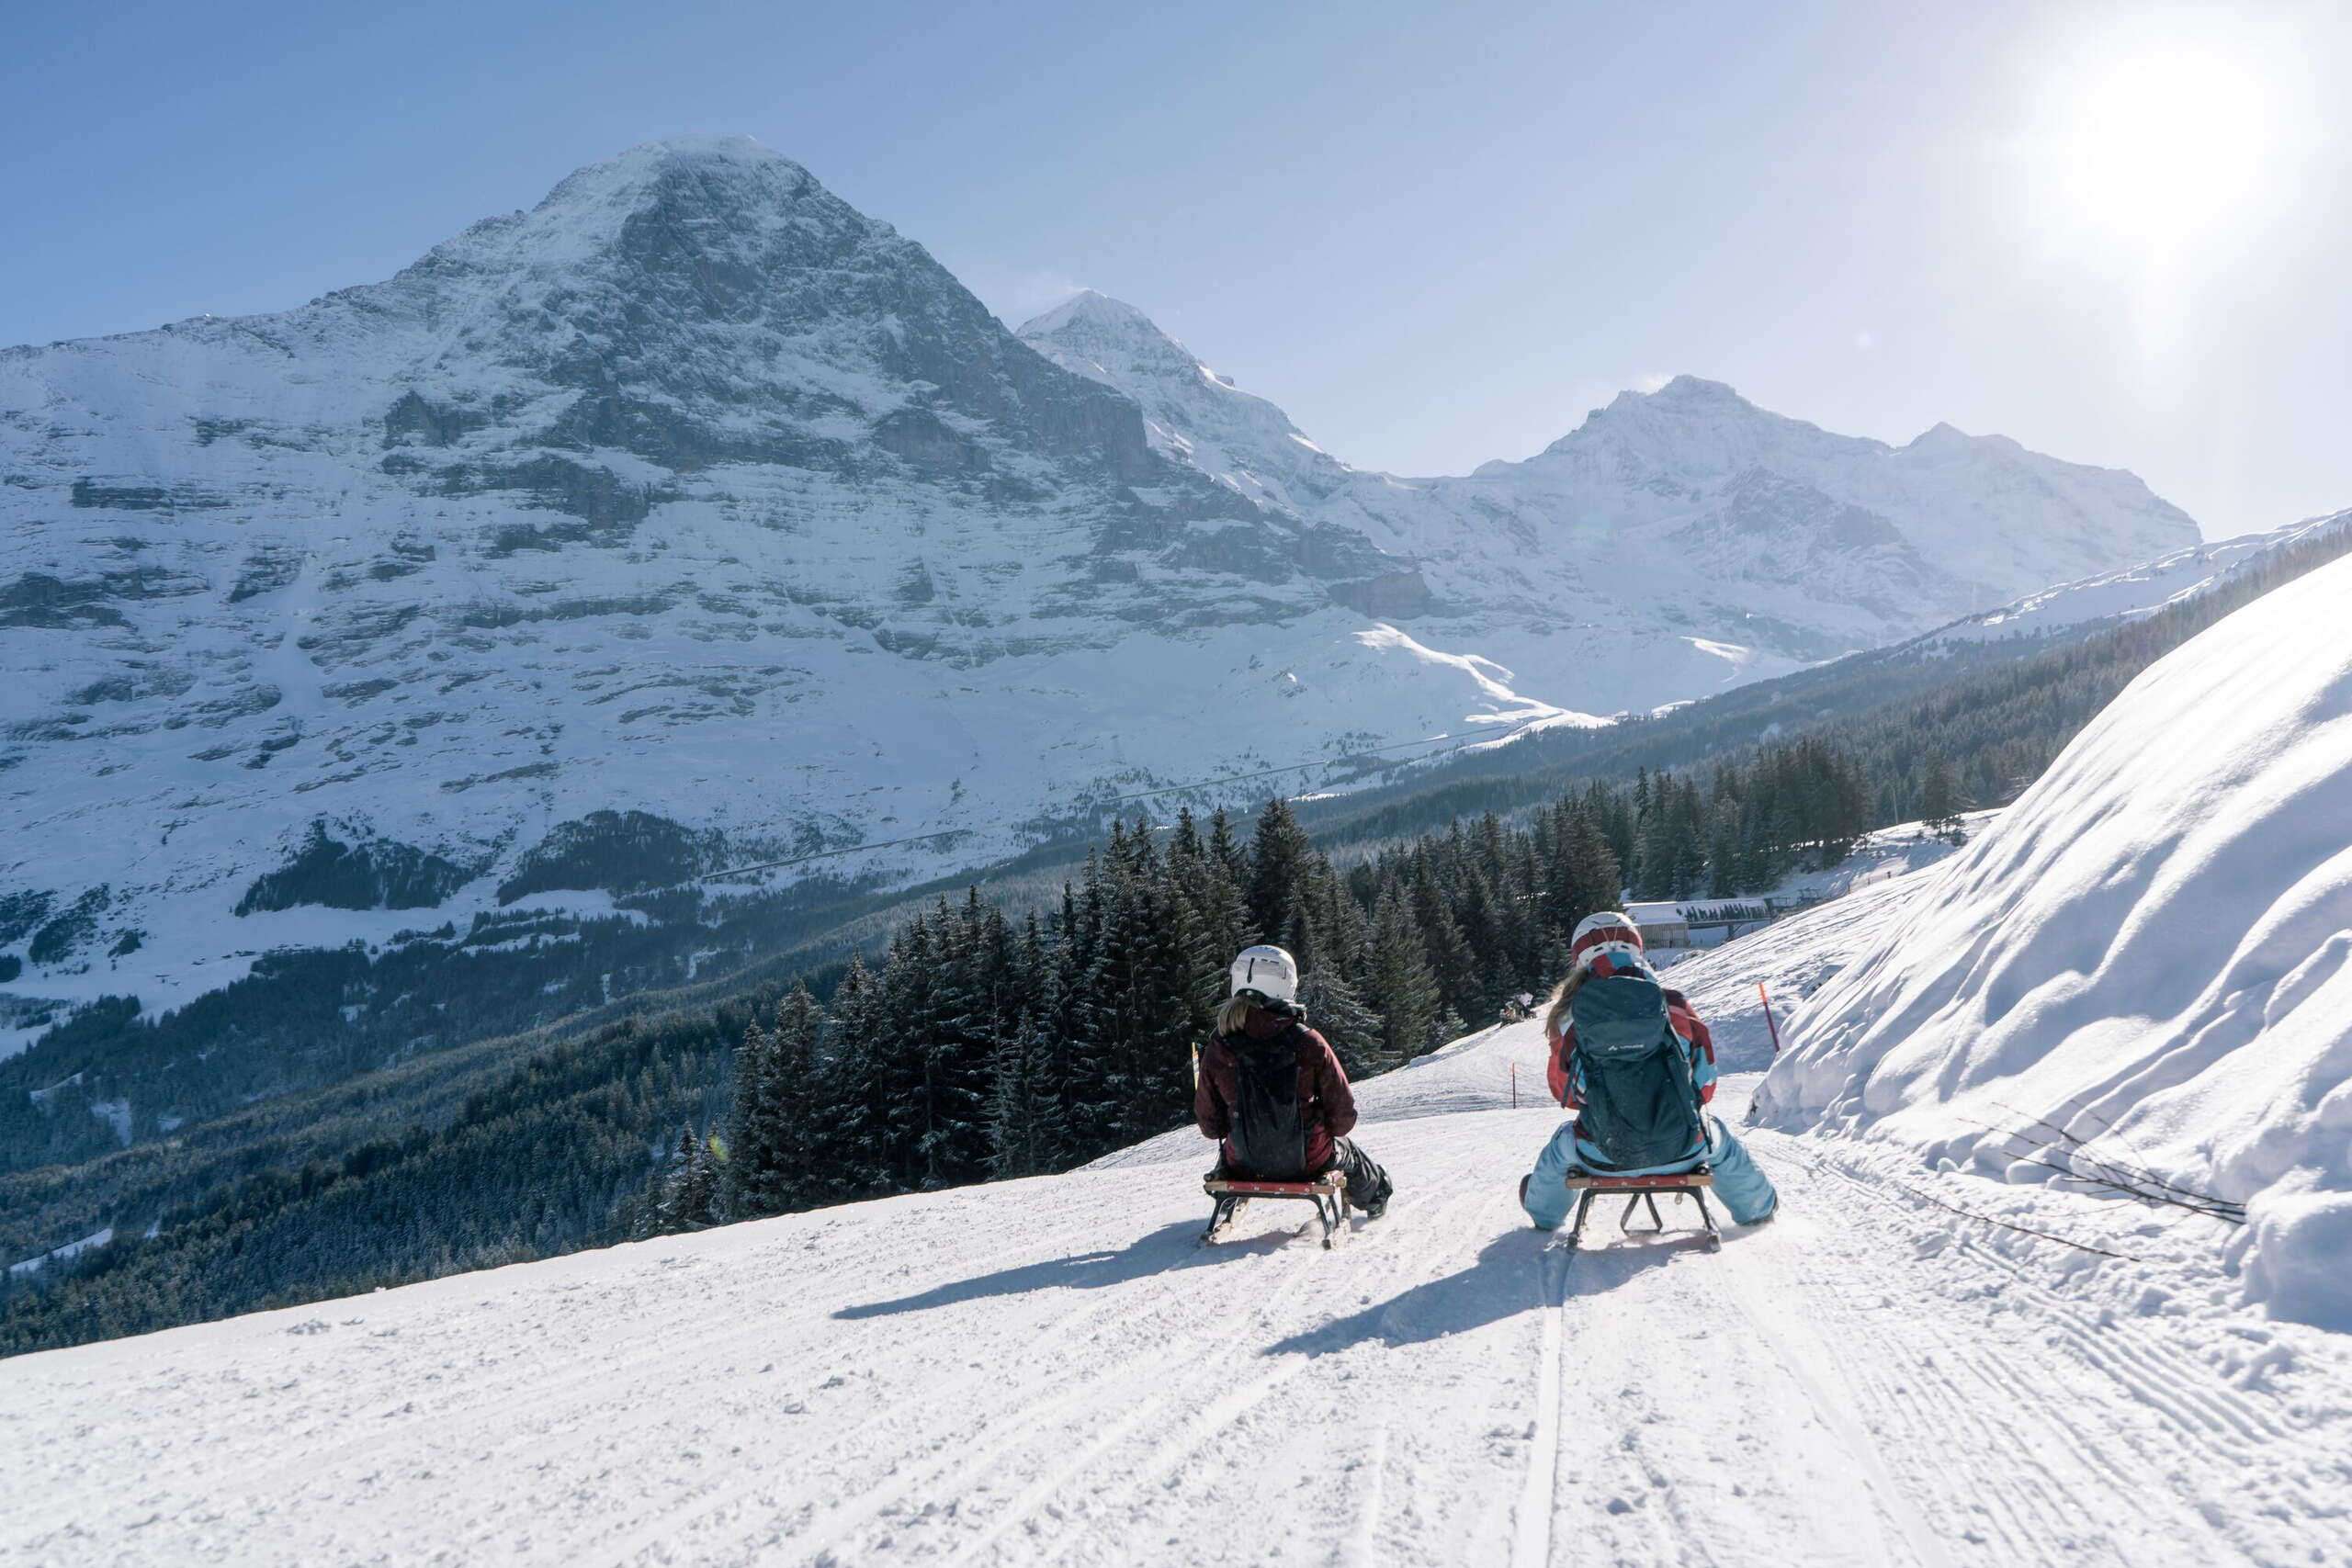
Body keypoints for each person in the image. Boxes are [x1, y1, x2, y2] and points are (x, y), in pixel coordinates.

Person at [1520, 911, 1778, 1230]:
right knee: (1716, 1135)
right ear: (1636, 949)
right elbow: (1705, 1087)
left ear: (1580, 957)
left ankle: (1543, 1216)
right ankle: (1758, 1209)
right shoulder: (1674, 1005)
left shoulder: (1571, 1017)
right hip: (1684, 1147)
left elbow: (1566, 1094)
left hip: (1601, 1153)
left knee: (1563, 1141)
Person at [1194, 944, 1394, 1219]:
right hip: (1308, 1162)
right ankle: (1377, 1198)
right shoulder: (1307, 1041)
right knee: (1347, 1150)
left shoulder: (1220, 1044)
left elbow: (1210, 1125)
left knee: (1236, 1143)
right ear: (1286, 983)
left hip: (1242, 1162)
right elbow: (1343, 1117)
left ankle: (1227, 1198)